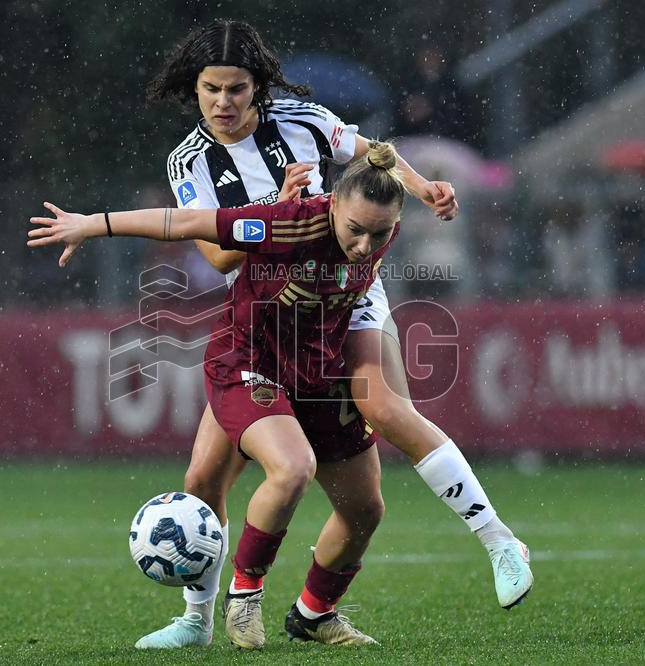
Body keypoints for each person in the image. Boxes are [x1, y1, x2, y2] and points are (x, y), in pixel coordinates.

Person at [133, 19, 532, 649]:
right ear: (195, 88)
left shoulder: (302, 121)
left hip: (345, 289)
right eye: (211, 89)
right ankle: (194, 620)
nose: (224, 103)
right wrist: (280, 211)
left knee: (380, 417)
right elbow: (215, 258)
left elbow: (372, 151)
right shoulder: (190, 159)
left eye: (238, 89)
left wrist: (422, 187)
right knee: (205, 481)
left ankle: (496, 541)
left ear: (259, 87)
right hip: (268, 312)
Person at [30, 142, 414, 648]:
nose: (365, 245)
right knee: (293, 468)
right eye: (356, 230)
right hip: (247, 363)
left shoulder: (380, 228)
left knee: (364, 509)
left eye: (379, 233)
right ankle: (240, 596)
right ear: (334, 205)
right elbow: (183, 224)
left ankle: (314, 614)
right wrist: (92, 224)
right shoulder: (283, 221)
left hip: (316, 374)